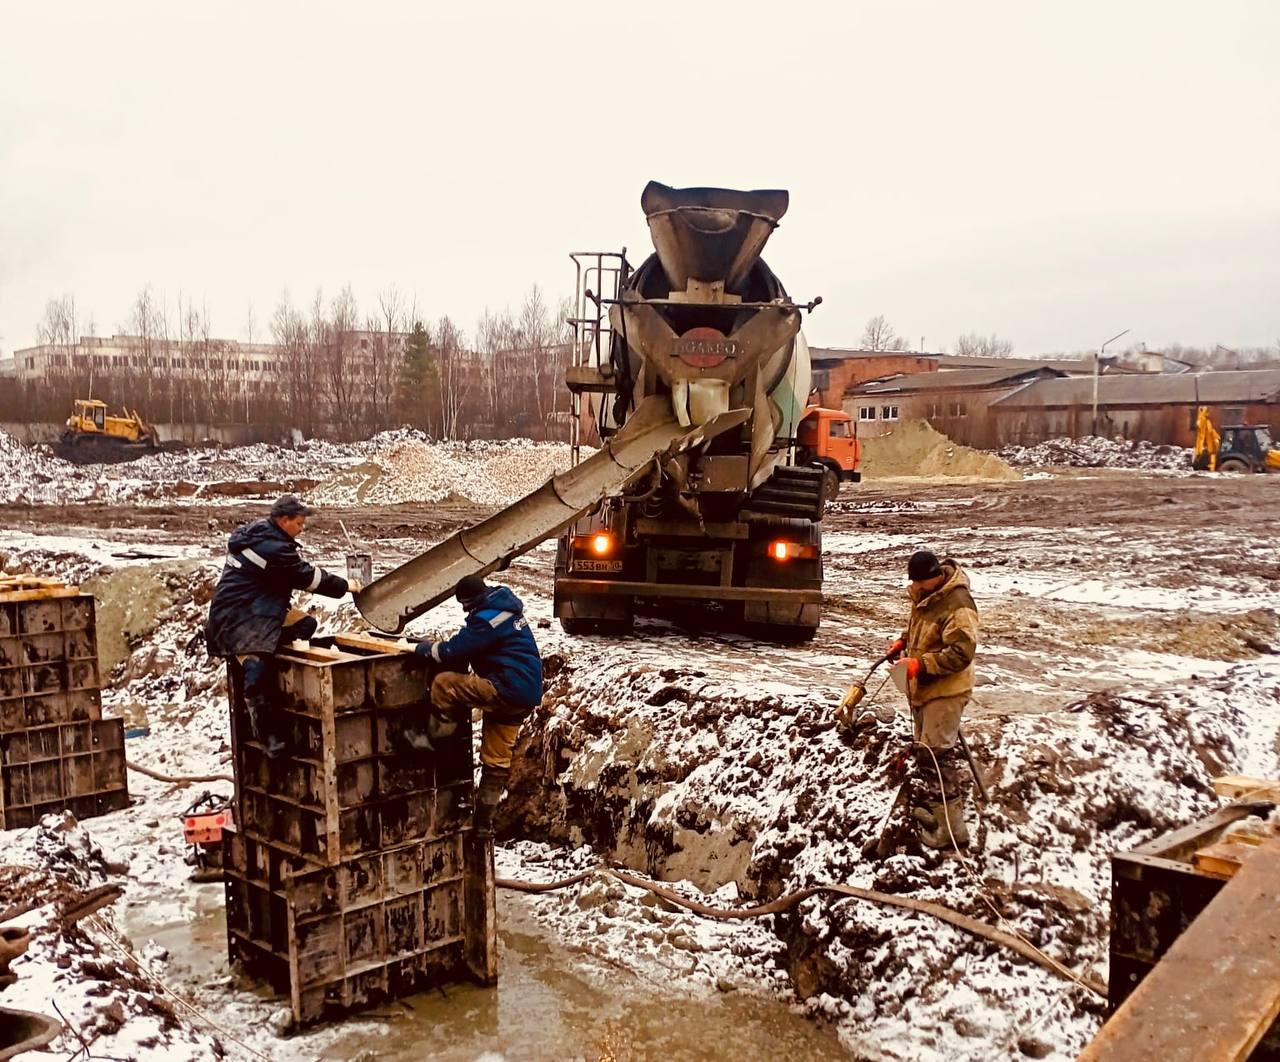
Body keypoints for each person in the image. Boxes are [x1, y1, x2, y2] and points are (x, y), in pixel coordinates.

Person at [206, 495, 357, 757]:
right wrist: (346, 587)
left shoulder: (262, 536)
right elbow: (307, 577)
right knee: (257, 669)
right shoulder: (273, 548)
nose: (302, 529)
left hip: (260, 606)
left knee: (305, 624)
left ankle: (269, 649)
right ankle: (266, 733)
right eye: (299, 523)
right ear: (283, 520)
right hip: (238, 617)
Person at [413, 575, 544, 837]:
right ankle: (483, 824)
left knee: (444, 684)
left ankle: (436, 744)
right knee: (496, 760)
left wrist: (421, 648)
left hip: (506, 689)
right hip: (524, 696)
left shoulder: (486, 619)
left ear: (468, 602)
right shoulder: (503, 608)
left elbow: (452, 651)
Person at [887, 549, 979, 849]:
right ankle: (939, 815)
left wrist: (920, 665)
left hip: (946, 691)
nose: (916, 588)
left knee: (937, 757)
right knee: (927, 753)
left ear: (936, 576)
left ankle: (951, 831)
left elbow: (961, 653)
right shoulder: (927, 595)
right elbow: (922, 624)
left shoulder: (958, 604)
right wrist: (904, 640)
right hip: (926, 690)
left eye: (920, 583)